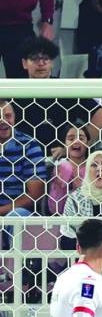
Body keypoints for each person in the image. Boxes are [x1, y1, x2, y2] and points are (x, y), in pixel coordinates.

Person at [15, 36, 102, 158]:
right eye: (34, 59)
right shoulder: (15, 91)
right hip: (23, 162)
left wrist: (74, 147)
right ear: (24, 63)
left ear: (52, 63)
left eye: (46, 59)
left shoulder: (65, 89)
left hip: (61, 163)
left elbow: (101, 117)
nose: (41, 63)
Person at [0, 99, 46, 249]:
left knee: (17, 216)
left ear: (15, 117)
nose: (4, 121)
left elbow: (35, 193)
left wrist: (1, 211)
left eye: (8, 116)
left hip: (15, 211)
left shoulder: (29, 145)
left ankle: (16, 271)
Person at [49, 125, 93, 215]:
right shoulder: (60, 167)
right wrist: (59, 186)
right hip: (62, 217)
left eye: (81, 138)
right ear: (65, 144)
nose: (76, 141)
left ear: (88, 143)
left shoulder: (94, 167)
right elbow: (54, 209)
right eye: (71, 138)